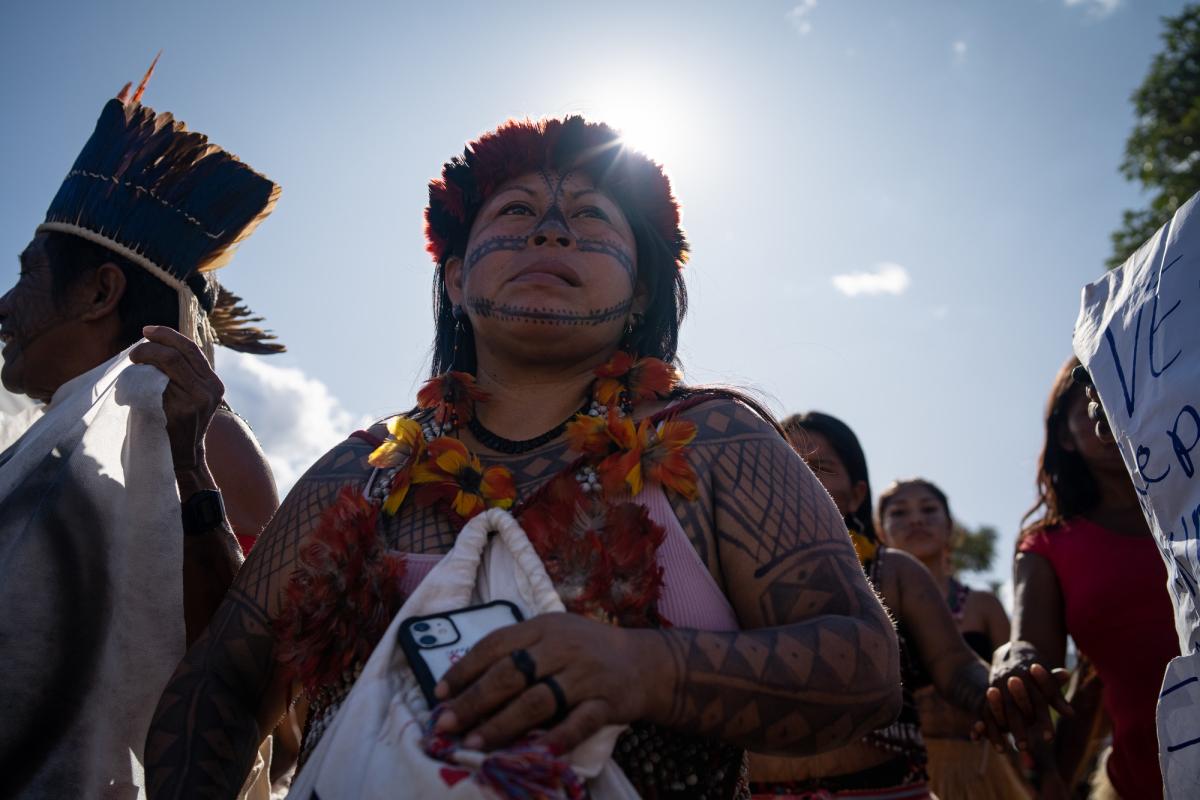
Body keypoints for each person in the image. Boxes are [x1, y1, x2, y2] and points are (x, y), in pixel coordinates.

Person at [145, 116, 904, 799]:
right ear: (457, 278)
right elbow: (223, 681)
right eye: (515, 214)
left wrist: (640, 671)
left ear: (640, 293)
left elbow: (866, 666)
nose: (549, 233)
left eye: (589, 218)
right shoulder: (360, 470)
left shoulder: (715, 443)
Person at [0, 75, 282, 797]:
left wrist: (191, 472)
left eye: (27, 273)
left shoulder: (207, 436)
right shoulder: (61, 436)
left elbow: (257, 678)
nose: (4, 305)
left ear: (99, 292)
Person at [749, 411, 1022, 799]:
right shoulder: (719, 569)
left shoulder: (892, 572)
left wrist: (998, 694)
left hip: (888, 789)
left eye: (819, 467)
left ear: (857, 495)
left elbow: (956, 665)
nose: (797, 477)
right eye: (782, 463)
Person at [988, 357, 1180, 800]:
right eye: (1095, 403)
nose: (1114, 412)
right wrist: (1014, 663)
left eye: (1127, 397)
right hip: (1148, 781)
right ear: (1065, 437)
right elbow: (1033, 649)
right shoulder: (1047, 548)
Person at [877, 478, 1027, 798]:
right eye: (899, 513)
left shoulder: (983, 604)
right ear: (880, 532)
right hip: (906, 770)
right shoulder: (876, 607)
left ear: (950, 527)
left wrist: (1044, 770)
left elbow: (1013, 688)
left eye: (929, 509)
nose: (916, 519)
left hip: (986, 768)